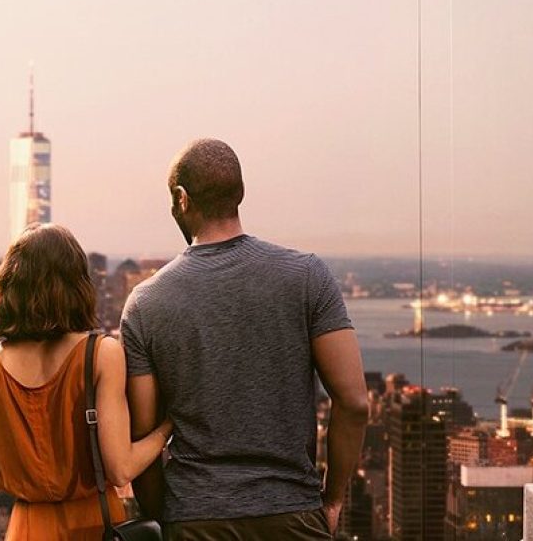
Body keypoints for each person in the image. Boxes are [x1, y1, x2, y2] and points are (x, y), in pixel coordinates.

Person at [121, 139, 368, 539]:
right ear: (240, 193)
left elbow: (143, 434)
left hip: (194, 519)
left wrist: (164, 516)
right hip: (294, 513)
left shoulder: (145, 303)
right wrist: (333, 500)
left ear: (181, 200)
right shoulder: (307, 276)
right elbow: (355, 403)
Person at [0, 223, 173, 540]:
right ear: (77, 285)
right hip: (95, 524)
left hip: (26, 528)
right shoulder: (100, 354)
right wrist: (166, 427)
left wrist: (33, 477)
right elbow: (120, 469)